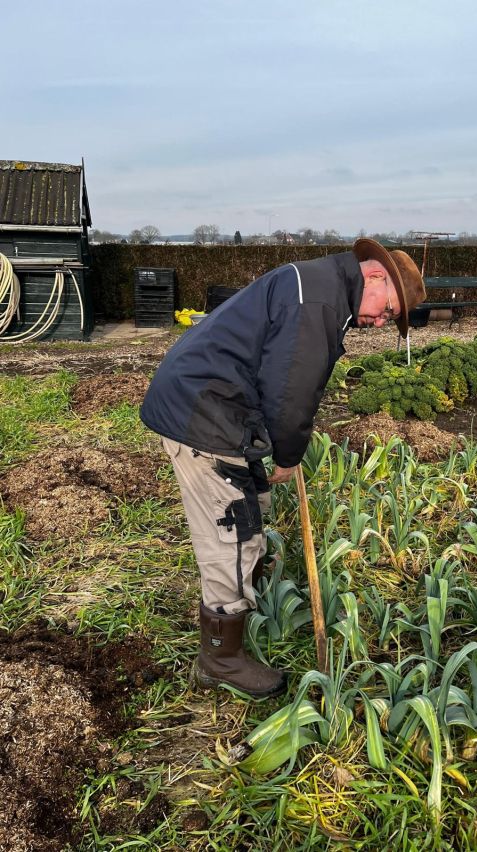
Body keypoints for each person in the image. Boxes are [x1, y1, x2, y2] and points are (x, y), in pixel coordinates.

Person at [140, 238, 426, 698]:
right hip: (203, 413)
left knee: (252, 508)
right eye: (388, 311)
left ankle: (244, 591)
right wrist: (290, 455)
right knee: (230, 533)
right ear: (375, 276)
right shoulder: (317, 301)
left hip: (217, 402)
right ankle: (220, 658)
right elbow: (291, 395)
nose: (379, 322)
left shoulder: (321, 285)